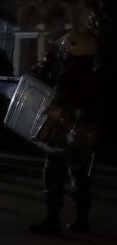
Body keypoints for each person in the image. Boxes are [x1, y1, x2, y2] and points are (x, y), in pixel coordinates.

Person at [29, 31, 102, 234]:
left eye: (67, 48)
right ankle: (82, 220)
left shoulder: (69, 73)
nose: (64, 51)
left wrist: (45, 130)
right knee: (80, 175)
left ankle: (52, 220)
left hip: (64, 131)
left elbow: (59, 105)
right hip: (84, 132)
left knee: (53, 173)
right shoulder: (93, 73)